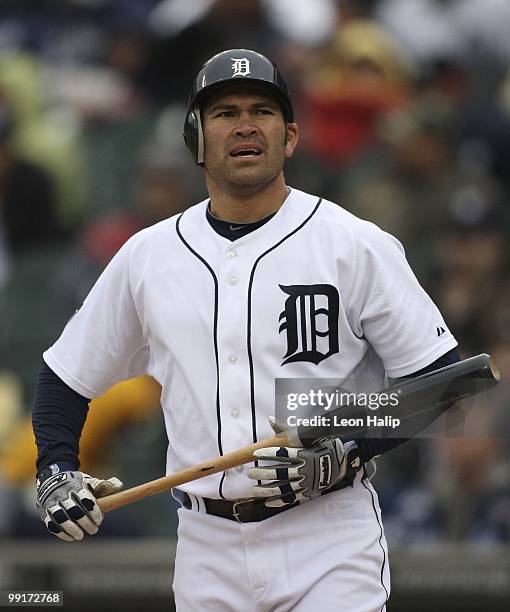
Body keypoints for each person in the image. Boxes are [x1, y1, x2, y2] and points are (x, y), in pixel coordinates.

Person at [32, 49, 460, 611]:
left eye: (263, 110)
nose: (245, 125)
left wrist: (348, 447)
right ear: (197, 138)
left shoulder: (353, 244)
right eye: (225, 112)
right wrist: (57, 470)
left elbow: (440, 380)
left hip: (327, 534)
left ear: (290, 137)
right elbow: (64, 377)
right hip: (206, 546)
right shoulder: (147, 256)